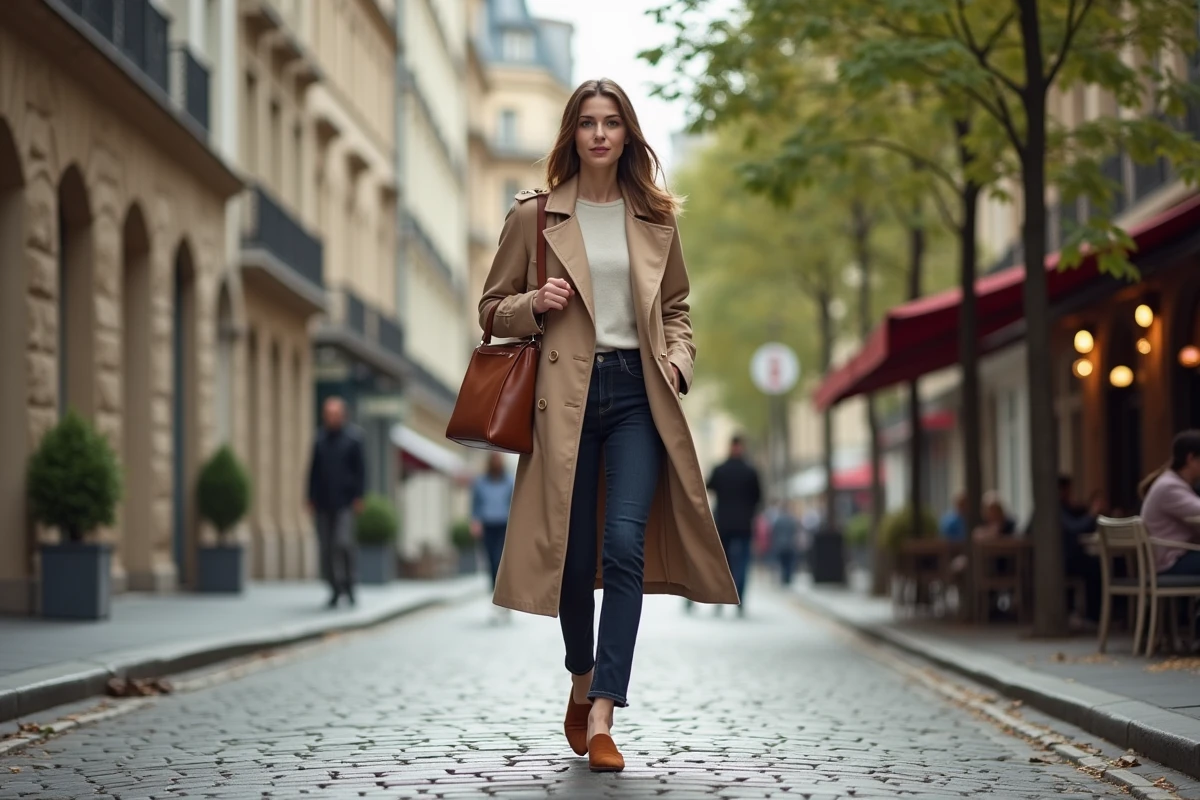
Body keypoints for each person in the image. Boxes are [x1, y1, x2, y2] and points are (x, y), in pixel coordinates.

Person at [475, 78, 738, 772]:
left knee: (623, 546)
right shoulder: (534, 216)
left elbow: (678, 309)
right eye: (588, 122)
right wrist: (535, 301)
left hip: (636, 395)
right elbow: (490, 309)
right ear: (573, 133)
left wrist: (676, 365)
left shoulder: (654, 216)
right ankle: (580, 671)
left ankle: (603, 712)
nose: (599, 134)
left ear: (627, 134)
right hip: (563, 397)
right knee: (572, 554)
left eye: (611, 122)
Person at [306, 397, 366, 609]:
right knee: (326, 548)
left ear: (343, 415)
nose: (331, 418)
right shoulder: (319, 440)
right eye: (328, 414)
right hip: (323, 502)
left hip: (346, 502)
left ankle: (350, 586)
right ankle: (334, 588)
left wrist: (359, 497)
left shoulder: (353, 439)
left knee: (343, 544)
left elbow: (361, 472)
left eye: (335, 414)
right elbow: (312, 471)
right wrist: (310, 497)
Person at [705, 435, 763, 616]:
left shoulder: (720, 469)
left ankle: (721, 598)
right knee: (743, 562)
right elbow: (758, 497)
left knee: (723, 563)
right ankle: (739, 599)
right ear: (742, 447)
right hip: (744, 524)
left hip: (723, 524)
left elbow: (708, 486)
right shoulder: (750, 471)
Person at [1139, 430, 1200, 576]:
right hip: (1170, 562)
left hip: (1173, 557)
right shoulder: (1169, 486)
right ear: (1191, 458)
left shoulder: (1172, 482)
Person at [471, 452, 514, 625]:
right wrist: (475, 521)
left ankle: (505, 601)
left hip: (504, 525)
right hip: (488, 526)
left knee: (500, 562)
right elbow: (474, 504)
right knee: (490, 563)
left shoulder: (509, 481)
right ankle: (496, 599)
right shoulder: (481, 482)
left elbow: (515, 502)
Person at [769, 500, 801, 586]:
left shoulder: (778, 520)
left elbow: (774, 532)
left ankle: (784, 577)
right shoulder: (792, 520)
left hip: (780, 544)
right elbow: (795, 532)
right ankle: (788, 578)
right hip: (790, 544)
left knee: (783, 562)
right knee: (789, 563)